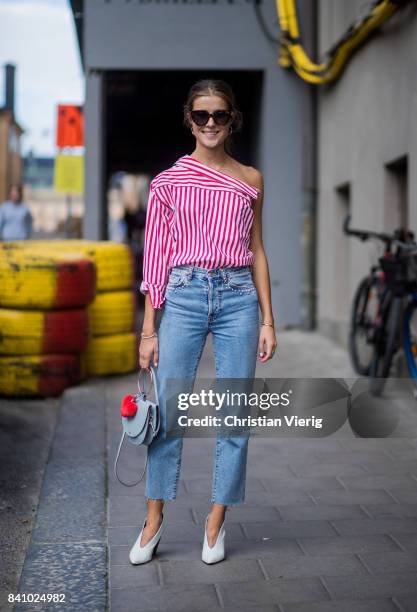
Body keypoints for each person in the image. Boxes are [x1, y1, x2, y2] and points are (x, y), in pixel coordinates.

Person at [132, 79, 277, 565]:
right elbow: (156, 258)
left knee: (233, 415)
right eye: (201, 115)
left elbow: (256, 249)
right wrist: (149, 330)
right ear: (189, 119)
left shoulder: (251, 179)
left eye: (219, 115)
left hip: (239, 296)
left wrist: (268, 320)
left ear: (231, 119)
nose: (210, 123)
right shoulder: (167, 183)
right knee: (169, 411)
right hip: (185, 293)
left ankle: (216, 520)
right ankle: (154, 518)